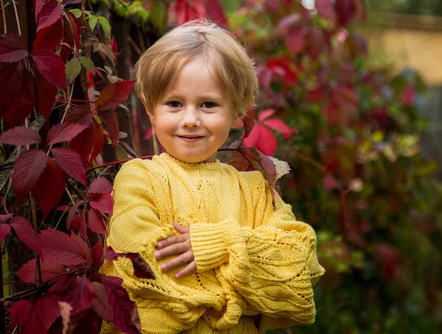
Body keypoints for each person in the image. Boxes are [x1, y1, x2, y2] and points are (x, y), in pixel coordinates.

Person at [100, 21, 324, 334]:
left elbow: (298, 269)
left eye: (208, 104)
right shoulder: (140, 178)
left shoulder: (255, 189)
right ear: (151, 109)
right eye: (174, 104)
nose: (190, 120)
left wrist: (221, 244)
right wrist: (249, 290)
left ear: (236, 112)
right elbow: (138, 268)